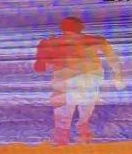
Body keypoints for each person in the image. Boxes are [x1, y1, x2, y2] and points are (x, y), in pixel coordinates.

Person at [33, 16, 124, 145]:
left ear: (62, 28)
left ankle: (64, 141)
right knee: (84, 113)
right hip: (90, 79)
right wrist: (118, 77)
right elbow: (113, 60)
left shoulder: (50, 43)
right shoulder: (95, 40)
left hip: (65, 81)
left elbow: (39, 68)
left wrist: (48, 54)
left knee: (63, 116)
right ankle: (83, 135)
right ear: (81, 27)